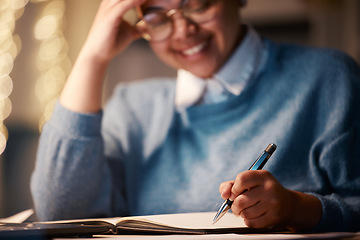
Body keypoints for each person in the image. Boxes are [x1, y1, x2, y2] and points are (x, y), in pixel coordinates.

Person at [31, 0, 360, 233]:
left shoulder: (328, 78)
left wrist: (295, 209)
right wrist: (92, 57)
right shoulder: (132, 106)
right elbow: (61, 215)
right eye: (158, 17)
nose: (183, 30)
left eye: (199, 4)